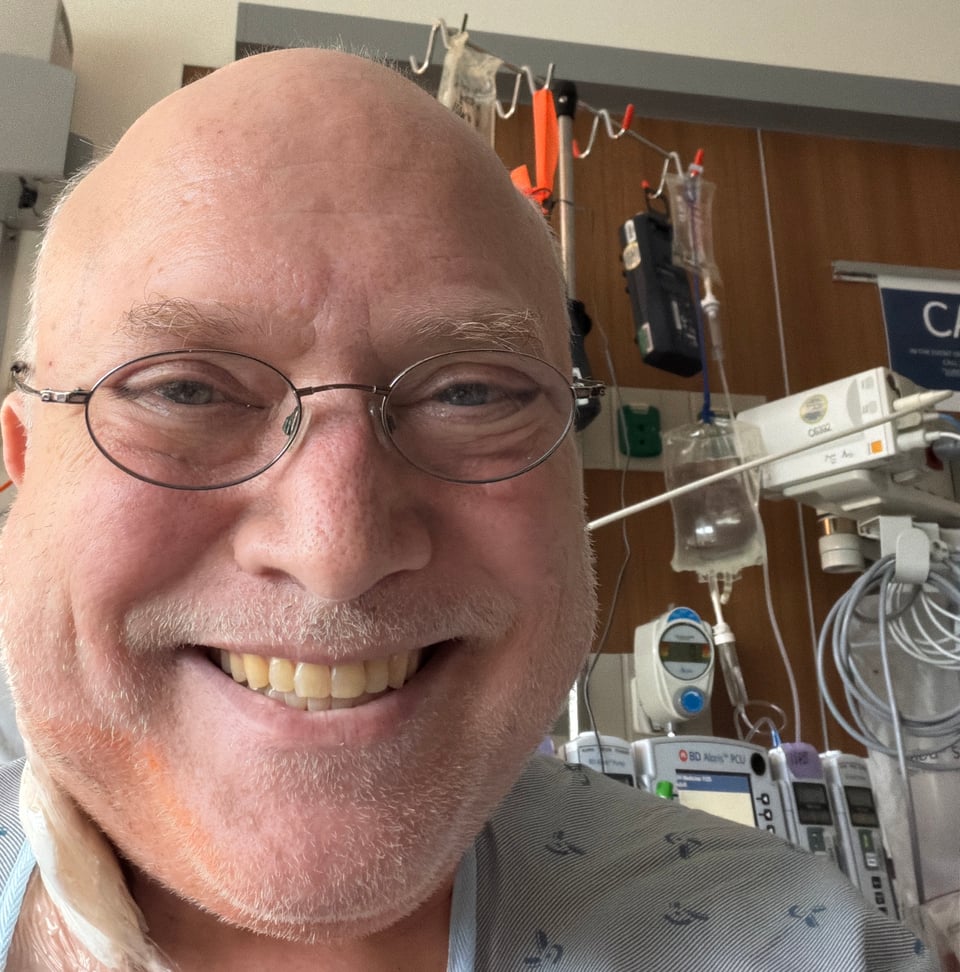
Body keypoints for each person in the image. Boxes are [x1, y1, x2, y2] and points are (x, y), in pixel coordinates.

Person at [0, 48, 939, 971]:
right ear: (22, 464)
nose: (337, 548)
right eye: (186, 393)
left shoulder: (802, 947)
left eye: (470, 395)